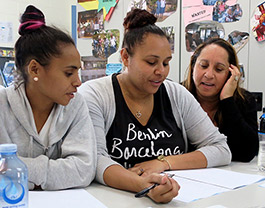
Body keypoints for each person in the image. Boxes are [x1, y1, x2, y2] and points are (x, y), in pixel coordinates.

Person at [79, 9, 231, 203]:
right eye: (151, 62)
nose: (161, 71)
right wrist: (144, 185)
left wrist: (163, 163)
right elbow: (95, 161)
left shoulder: (176, 94)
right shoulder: (95, 95)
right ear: (126, 57)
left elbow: (220, 149)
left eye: (166, 63)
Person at [0, 5, 97, 190]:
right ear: (35, 69)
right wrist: (56, 174)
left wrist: (19, 170)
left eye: (78, 72)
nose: (78, 82)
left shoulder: (75, 104)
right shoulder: (2, 105)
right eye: (69, 73)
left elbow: (83, 170)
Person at [182, 38, 259, 162]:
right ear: (193, 67)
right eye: (203, 66)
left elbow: (247, 153)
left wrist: (227, 100)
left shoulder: (244, 100)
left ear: (230, 74)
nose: (209, 75)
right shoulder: (176, 96)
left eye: (219, 69)